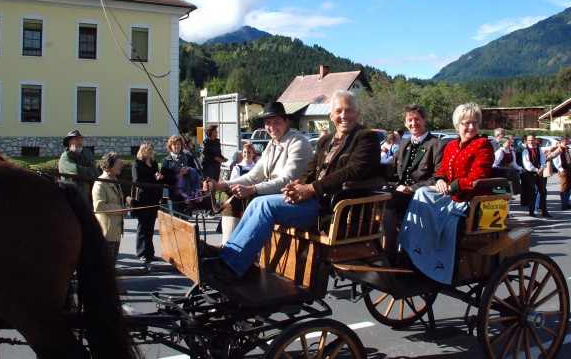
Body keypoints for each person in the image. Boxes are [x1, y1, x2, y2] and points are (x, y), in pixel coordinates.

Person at [202, 90, 381, 282]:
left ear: (358, 113)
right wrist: (296, 185)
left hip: (333, 209)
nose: (343, 116)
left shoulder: (365, 137)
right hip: (313, 201)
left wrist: (310, 189)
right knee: (256, 204)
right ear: (331, 116)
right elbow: (309, 171)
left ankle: (231, 266)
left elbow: (351, 171)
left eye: (348, 111)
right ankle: (228, 253)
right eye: (338, 112)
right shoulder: (325, 141)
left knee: (265, 206)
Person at [399, 102, 495, 284]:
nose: (471, 127)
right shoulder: (451, 146)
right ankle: (414, 246)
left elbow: (478, 176)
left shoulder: (483, 145)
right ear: (457, 126)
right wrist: (441, 180)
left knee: (421, 194)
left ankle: (431, 258)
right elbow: (441, 170)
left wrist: (451, 186)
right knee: (422, 194)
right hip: (449, 195)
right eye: (466, 123)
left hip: (469, 199)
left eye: (475, 123)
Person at [204, 102, 314, 247]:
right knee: (232, 195)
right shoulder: (272, 144)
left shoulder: (298, 142)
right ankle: (226, 247)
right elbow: (254, 176)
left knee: (247, 198)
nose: (272, 128)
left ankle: (233, 252)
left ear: (286, 121)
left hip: (292, 197)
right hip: (274, 193)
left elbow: (286, 180)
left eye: (277, 122)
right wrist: (221, 186)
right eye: (268, 123)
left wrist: (252, 189)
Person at [383, 104, 446, 256]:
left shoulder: (437, 145)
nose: (413, 123)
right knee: (374, 196)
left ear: (425, 120)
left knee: (386, 203)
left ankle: (390, 254)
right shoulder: (404, 144)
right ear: (405, 123)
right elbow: (390, 168)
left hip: (421, 199)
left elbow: (438, 178)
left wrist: (411, 188)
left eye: (417, 119)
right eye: (409, 120)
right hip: (400, 194)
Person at [131, 141, 164, 263]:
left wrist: (160, 178)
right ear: (142, 151)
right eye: (148, 149)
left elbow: (157, 181)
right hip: (142, 198)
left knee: (150, 226)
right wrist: (153, 178)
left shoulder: (154, 163)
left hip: (153, 197)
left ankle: (150, 252)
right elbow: (137, 180)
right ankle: (141, 253)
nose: (150, 151)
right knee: (142, 226)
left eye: (152, 149)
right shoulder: (137, 164)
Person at [92, 152, 126, 267]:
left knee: (111, 267)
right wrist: (120, 209)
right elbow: (99, 206)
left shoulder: (114, 181)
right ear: (109, 165)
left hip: (115, 232)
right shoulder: (101, 182)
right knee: (104, 267)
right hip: (106, 233)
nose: (121, 165)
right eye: (119, 163)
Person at [160, 135, 202, 217]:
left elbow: (197, 172)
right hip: (173, 193)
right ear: (170, 146)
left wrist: (188, 171)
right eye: (174, 144)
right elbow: (165, 179)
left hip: (187, 192)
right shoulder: (166, 160)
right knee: (175, 218)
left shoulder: (188, 157)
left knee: (185, 219)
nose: (177, 146)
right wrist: (179, 175)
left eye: (178, 144)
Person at [58, 130, 98, 199]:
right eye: (77, 140)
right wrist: (90, 171)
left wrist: (91, 172)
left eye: (81, 140)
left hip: (87, 196)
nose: (80, 143)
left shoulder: (86, 154)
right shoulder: (65, 157)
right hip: (73, 196)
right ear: (70, 143)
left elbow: (96, 172)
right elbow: (77, 171)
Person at [521, 135, 552, 218]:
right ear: (527, 141)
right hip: (530, 173)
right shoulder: (526, 150)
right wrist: (536, 170)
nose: (531, 142)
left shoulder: (538, 149)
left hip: (538, 172)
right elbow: (527, 164)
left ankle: (544, 211)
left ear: (534, 140)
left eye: (532, 140)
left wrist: (542, 167)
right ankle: (531, 211)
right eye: (529, 140)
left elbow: (542, 159)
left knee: (543, 191)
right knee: (531, 191)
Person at [552, 135, 571, 210]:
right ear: (565, 140)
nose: (570, 141)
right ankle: (564, 203)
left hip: (569, 169)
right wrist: (561, 169)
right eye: (569, 139)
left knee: (568, 186)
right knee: (564, 186)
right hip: (563, 169)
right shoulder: (560, 149)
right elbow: (556, 161)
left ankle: (567, 202)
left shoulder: (567, 149)